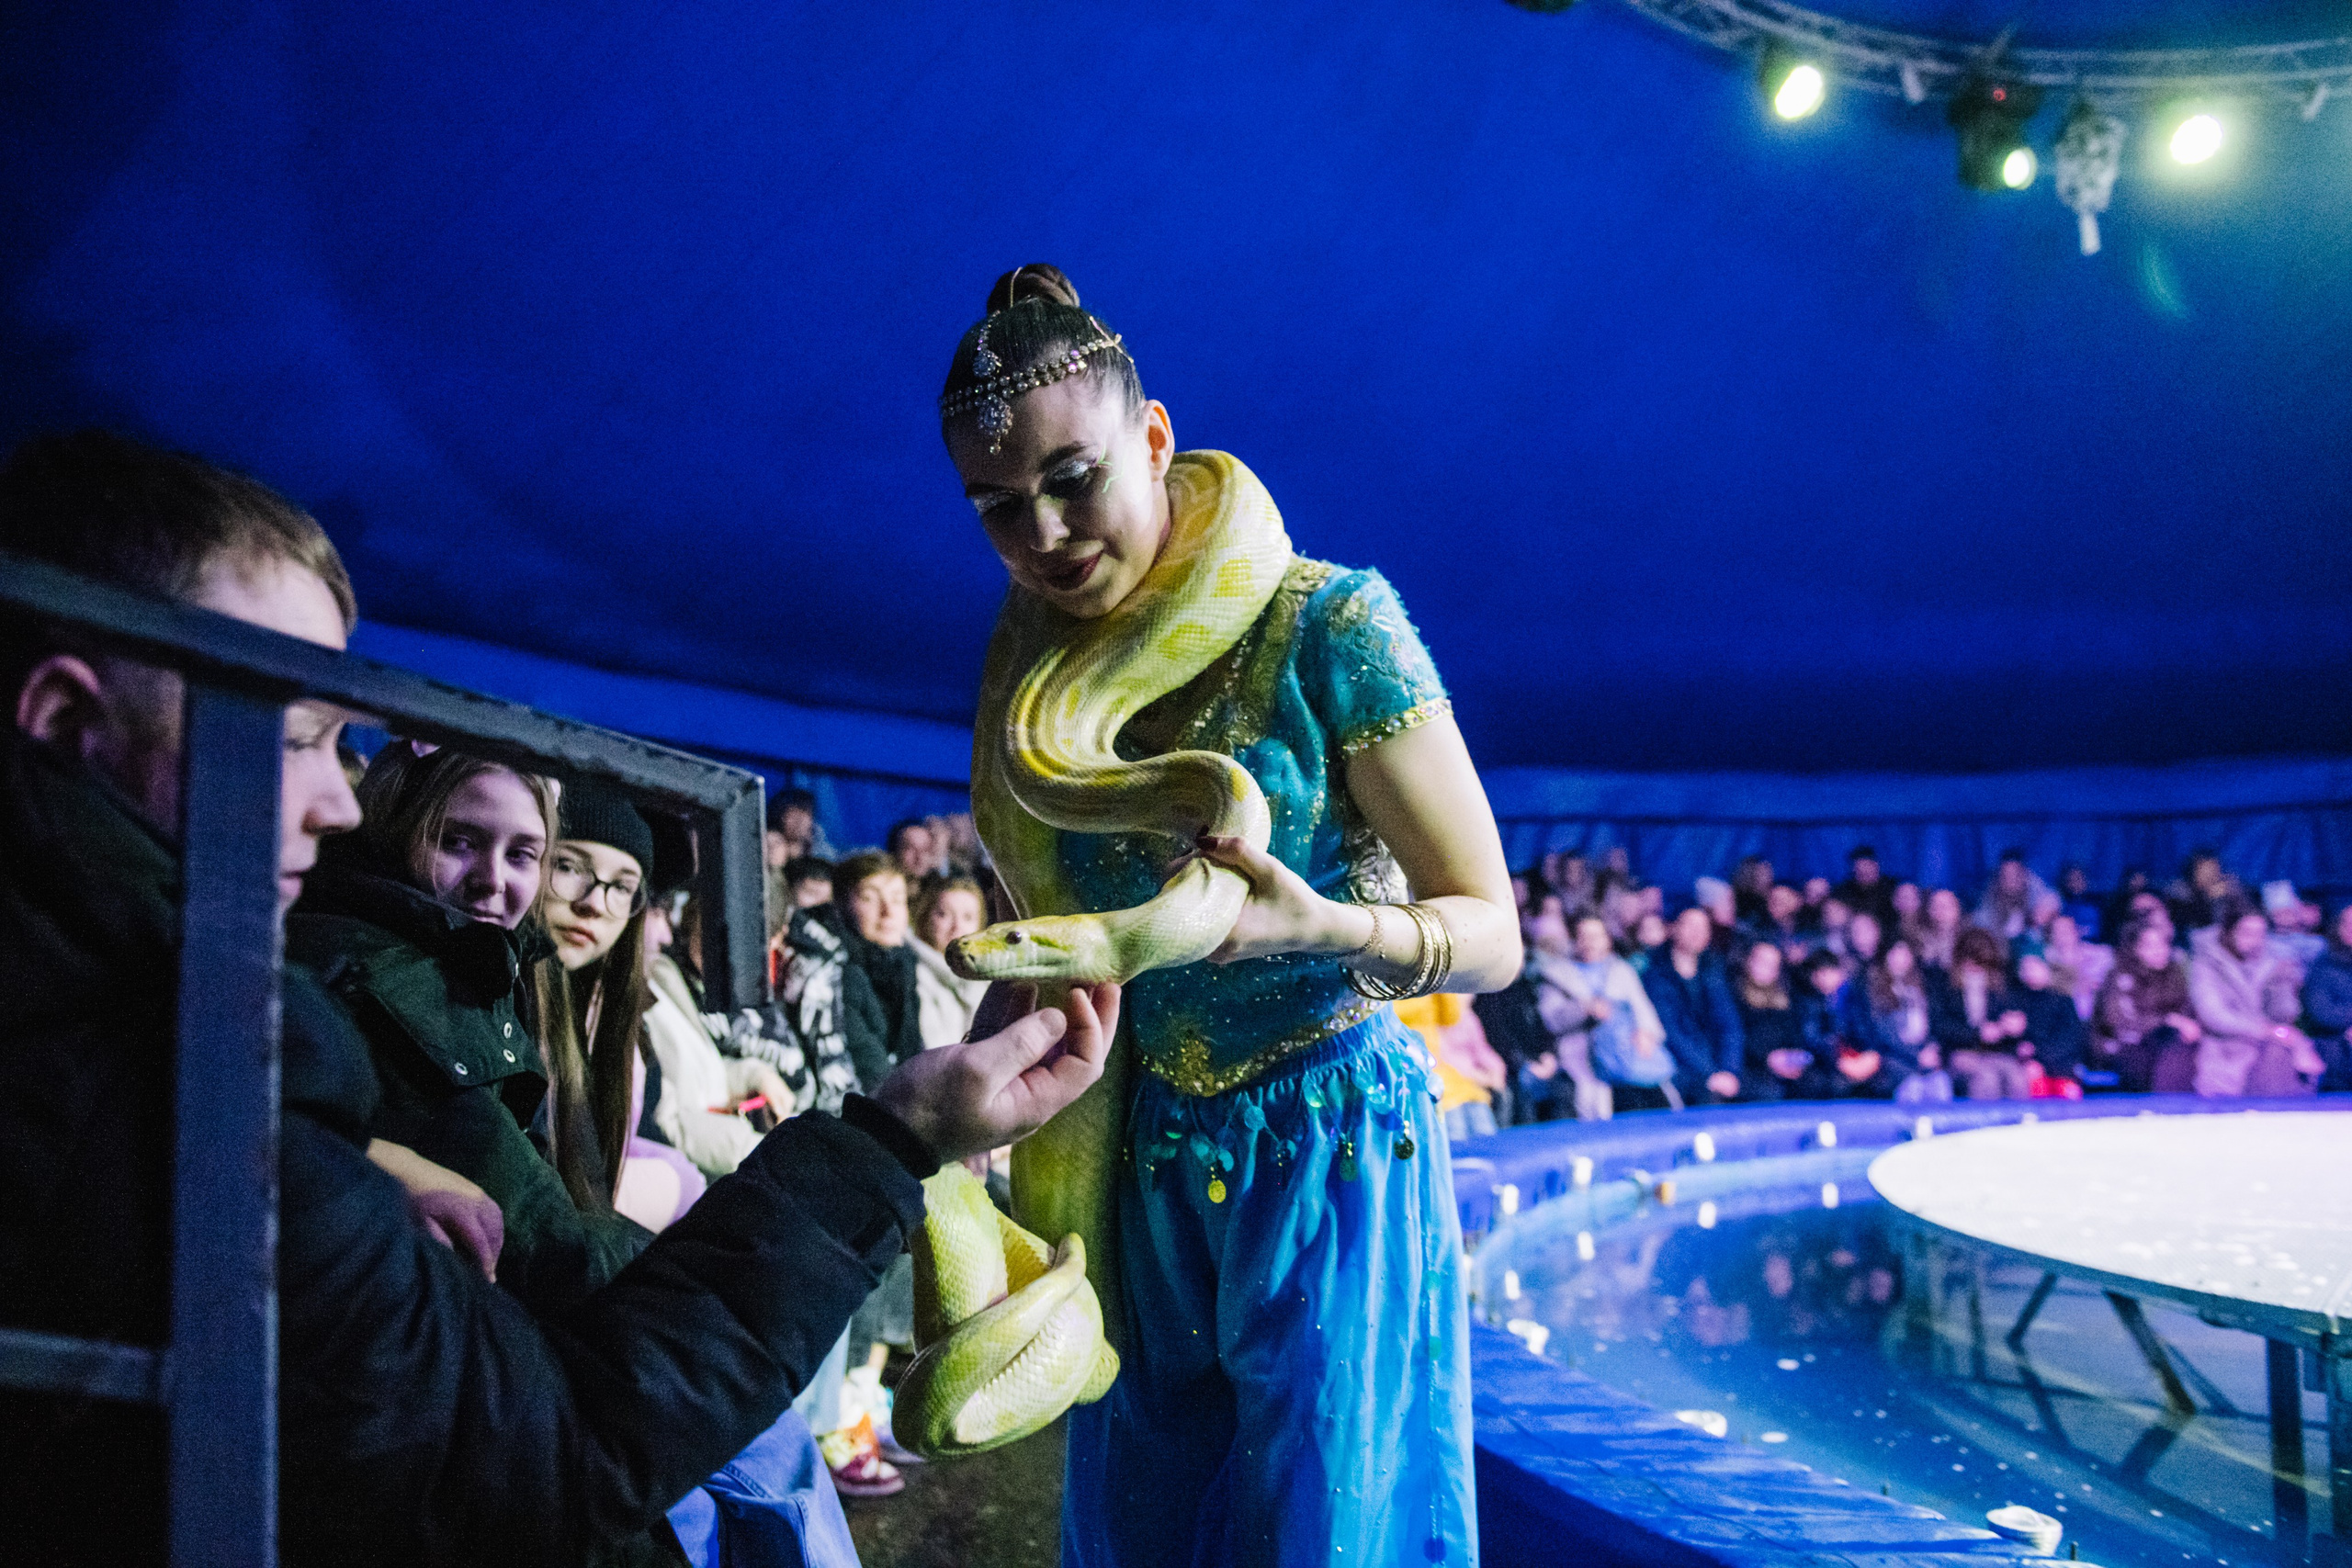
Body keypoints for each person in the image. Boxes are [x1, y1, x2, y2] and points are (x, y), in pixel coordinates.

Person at [0, 429, 1117, 1567]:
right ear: (64, 723)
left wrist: (367, 1165)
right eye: (290, 738)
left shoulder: (183, 1042)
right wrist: (894, 1140)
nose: (335, 802)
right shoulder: (198, 1077)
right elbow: (539, 1459)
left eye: (339, 742)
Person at [941, 265, 1517, 1563]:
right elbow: (1058, 939)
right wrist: (965, 1104)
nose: (1042, 533)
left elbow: (1494, 930)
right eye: (997, 507)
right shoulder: (1033, 697)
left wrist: (1326, 929)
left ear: (1156, 441)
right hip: (1139, 1150)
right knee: (1141, 1517)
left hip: (1330, 1147)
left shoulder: (1332, 625)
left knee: (1323, 1521)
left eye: (1072, 478)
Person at [289, 746, 650, 1310]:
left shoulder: (490, 969)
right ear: (394, 828)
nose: (492, 880)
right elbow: (550, 1244)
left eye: (523, 854)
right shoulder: (401, 980)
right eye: (458, 842)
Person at [1536, 909, 1669, 1120]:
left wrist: (1646, 1032)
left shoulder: (1622, 970)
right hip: (1580, 1059)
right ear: (1574, 940)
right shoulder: (1556, 975)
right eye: (1583, 936)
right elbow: (1550, 1019)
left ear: (1607, 940)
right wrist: (1584, 1009)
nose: (1590, 942)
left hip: (1625, 1056)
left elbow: (1643, 1009)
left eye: (1596, 936)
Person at [2188, 897, 2322, 1097]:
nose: (2255, 940)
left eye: (2260, 934)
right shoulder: (2207, 963)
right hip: (2226, 1050)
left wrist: (2282, 985)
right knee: (2277, 1052)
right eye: (2247, 933)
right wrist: (2266, 1030)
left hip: (2268, 1044)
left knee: (2284, 1052)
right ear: (2229, 932)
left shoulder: (2271, 961)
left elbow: (2284, 1015)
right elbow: (2214, 1016)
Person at [1642, 907, 1746, 1106]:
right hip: (1676, 1064)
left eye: (1703, 927)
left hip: (1716, 1064)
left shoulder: (1713, 969)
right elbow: (1670, 1032)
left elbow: (1729, 1024)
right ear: (1674, 929)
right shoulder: (1655, 974)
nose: (1697, 933)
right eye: (1691, 926)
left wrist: (1729, 1069)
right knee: (1707, 1097)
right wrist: (1710, 1073)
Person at [2091, 917, 2202, 1092]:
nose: (2159, 951)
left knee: (2182, 1049)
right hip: (2123, 1044)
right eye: (2149, 946)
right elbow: (2119, 1021)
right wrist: (2167, 1020)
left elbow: (2187, 1013)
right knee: (2142, 1055)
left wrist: (2183, 1025)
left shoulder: (2174, 974)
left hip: (2166, 1043)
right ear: (2135, 949)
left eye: (2162, 944)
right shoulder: (2120, 976)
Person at [1928, 927, 2034, 1099]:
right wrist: (1977, 1033)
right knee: (1985, 1077)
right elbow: (1940, 1025)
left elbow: (2015, 1021)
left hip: (1997, 1053)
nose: (1978, 970)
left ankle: (2019, 1125)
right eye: (1973, 962)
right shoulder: (1945, 985)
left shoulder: (1999, 987)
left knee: (2017, 1077)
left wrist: (2013, 1027)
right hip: (1960, 1052)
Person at [1842, 937, 1947, 1102]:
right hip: (1891, 1057)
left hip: (1923, 1053)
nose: (1900, 958)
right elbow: (1882, 1035)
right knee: (1913, 1087)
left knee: (1941, 1084)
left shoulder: (1922, 987)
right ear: (1885, 955)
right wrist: (1915, 1056)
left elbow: (1935, 1024)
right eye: (1895, 952)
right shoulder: (1873, 988)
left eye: (1905, 953)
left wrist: (1932, 1048)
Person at [1733, 941, 1824, 1100]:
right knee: (1768, 1091)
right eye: (1761, 962)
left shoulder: (1784, 1000)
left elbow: (1795, 1037)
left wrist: (1793, 1058)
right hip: (1750, 1067)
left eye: (1771, 965)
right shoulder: (1734, 997)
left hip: (1784, 1067)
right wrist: (1767, 1060)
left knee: (1815, 1083)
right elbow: (1735, 1039)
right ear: (1749, 962)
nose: (1765, 969)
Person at [910, 874, 991, 1047]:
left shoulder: (989, 980)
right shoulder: (914, 975)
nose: (957, 927)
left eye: (968, 917)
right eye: (944, 914)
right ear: (926, 917)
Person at [2298, 901, 2352, 1092]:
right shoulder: (2324, 965)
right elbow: (2321, 1012)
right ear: (2339, 928)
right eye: (2348, 925)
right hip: (2334, 1038)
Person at [1834, 845, 1896, 927]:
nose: (1864, 872)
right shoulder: (1844, 891)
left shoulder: (1892, 888)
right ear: (1853, 870)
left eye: (1868, 866)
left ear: (1876, 865)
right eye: (1859, 869)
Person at [885, 817, 939, 883]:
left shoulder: (944, 890)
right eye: (911, 849)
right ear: (894, 852)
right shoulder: (882, 889)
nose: (920, 857)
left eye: (925, 850)